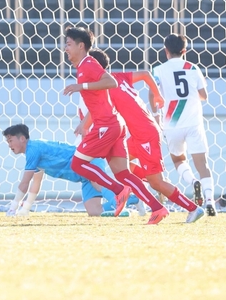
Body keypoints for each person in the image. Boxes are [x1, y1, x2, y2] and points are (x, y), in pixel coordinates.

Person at [61, 26, 170, 225]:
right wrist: (85, 123)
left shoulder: (88, 64)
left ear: (81, 45)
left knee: (78, 164)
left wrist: (80, 87)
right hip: (114, 125)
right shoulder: (84, 67)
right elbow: (99, 100)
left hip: (106, 126)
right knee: (123, 173)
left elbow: (110, 81)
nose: (65, 49)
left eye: (68, 44)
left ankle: (119, 190)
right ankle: (157, 208)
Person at [87, 49, 205, 224]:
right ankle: (134, 186)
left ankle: (193, 208)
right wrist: (156, 94)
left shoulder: (104, 87)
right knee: (118, 166)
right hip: (139, 133)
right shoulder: (118, 77)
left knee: (156, 181)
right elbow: (145, 74)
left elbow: (101, 116)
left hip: (145, 135)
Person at [153, 34, 218, 216]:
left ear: (165, 51)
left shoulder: (158, 70)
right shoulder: (193, 68)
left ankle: (192, 182)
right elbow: (204, 95)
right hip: (193, 123)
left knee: (178, 160)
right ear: (184, 51)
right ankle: (210, 201)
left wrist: (157, 116)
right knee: (202, 164)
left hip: (171, 124)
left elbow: (154, 94)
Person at [2, 123, 119, 217]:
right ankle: (130, 201)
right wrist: (26, 208)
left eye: (10, 140)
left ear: (22, 139)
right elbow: (36, 183)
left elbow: (25, 182)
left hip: (89, 162)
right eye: (7, 142)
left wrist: (13, 207)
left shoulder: (33, 149)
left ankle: (119, 203)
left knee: (98, 184)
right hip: (84, 177)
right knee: (94, 212)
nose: (9, 145)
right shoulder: (33, 153)